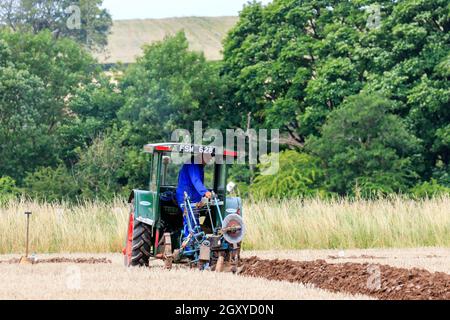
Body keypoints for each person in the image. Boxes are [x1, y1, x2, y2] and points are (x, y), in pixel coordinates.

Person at [176, 153, 212, 245]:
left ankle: (197, 245)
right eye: (207, 158)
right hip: (186, 197)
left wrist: (202, 199)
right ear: (202, 156)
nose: (208, 160)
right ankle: (188, 249)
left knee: (194, 222)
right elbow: (196, 181)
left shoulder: (199, 166)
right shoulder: (193, 164)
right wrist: (205, 192)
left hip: (193, 198)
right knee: (190, 223)